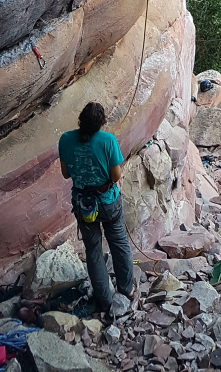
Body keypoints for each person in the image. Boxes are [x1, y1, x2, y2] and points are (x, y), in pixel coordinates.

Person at [58, 102, 133, 313]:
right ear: (101, 123)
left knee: (93, 250)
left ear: (81, 119)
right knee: (118, 242)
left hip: (84, 204)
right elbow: (116, 176)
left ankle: (103, 300)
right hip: (107, 200)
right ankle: (126, 289)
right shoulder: (107, 140)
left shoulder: (65, 139)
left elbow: (66, 174)